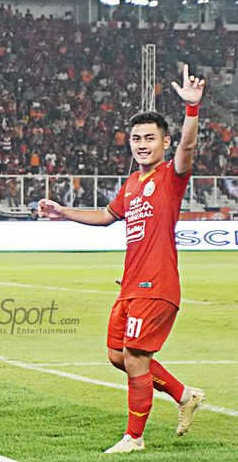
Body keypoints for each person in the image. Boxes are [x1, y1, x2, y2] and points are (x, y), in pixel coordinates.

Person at [38, 64, 206, 454]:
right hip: (130, 284)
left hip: (157, 284)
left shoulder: (171, 175)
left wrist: (192, 110)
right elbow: (105, 217)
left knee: (134, 357)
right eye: (136, 138)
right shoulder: (132, 183)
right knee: (118, 355)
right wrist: (62, 211)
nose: (142, 144)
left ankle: (134, 438)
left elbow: (189, 149)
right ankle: (183, 395)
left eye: (150, 138)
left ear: (164, 142)